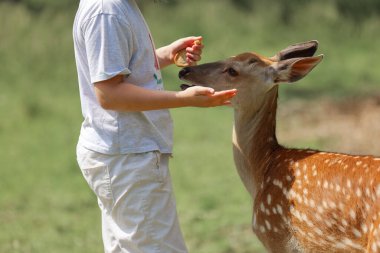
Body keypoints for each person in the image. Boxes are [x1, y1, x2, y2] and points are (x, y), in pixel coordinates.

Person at [73, 0, 237, 252]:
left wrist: (165, 55)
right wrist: (183, 99)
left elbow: (123, 69)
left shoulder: (119, 6)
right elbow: (109, 94)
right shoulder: (107, 11)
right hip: (128, 157)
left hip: (124, 153)